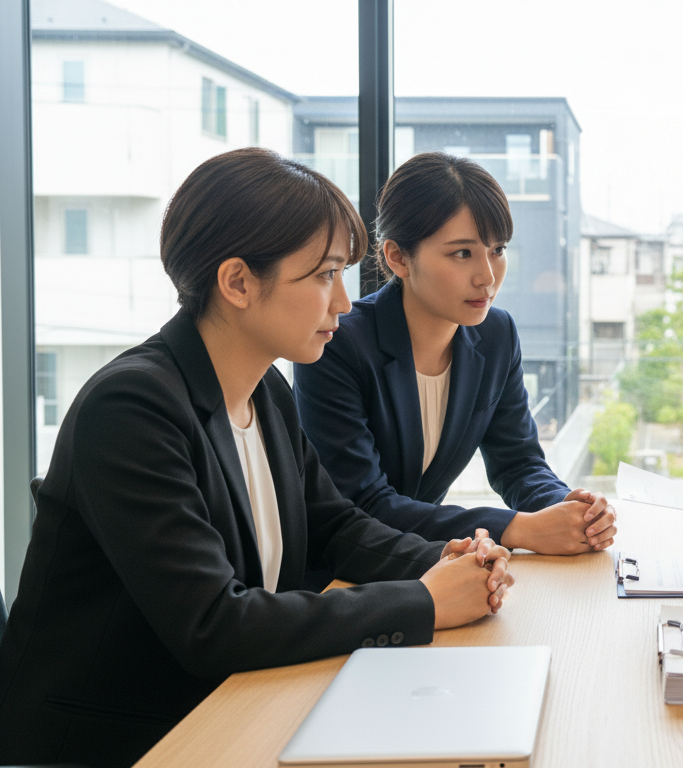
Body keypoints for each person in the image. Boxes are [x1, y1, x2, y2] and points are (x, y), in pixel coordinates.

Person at [0, 148, 513, 768]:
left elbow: (336, 526)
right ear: (238, 281)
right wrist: (426, 602)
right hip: (125, 740)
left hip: (236, 707)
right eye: (324, 275)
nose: (345, 304)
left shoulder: (263, 388)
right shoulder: (131, 406)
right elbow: (214, 623)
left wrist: (449, 560)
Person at [293, 153, 616, 561]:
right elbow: (364, 502)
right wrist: (517, 528)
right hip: (339, 576)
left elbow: (518, 463)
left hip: (433, 563)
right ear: (398, 257)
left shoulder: (496, 335)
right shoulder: (337, 342)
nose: (488, 275)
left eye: (497, 249)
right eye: (462, 253)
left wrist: (569, 506)